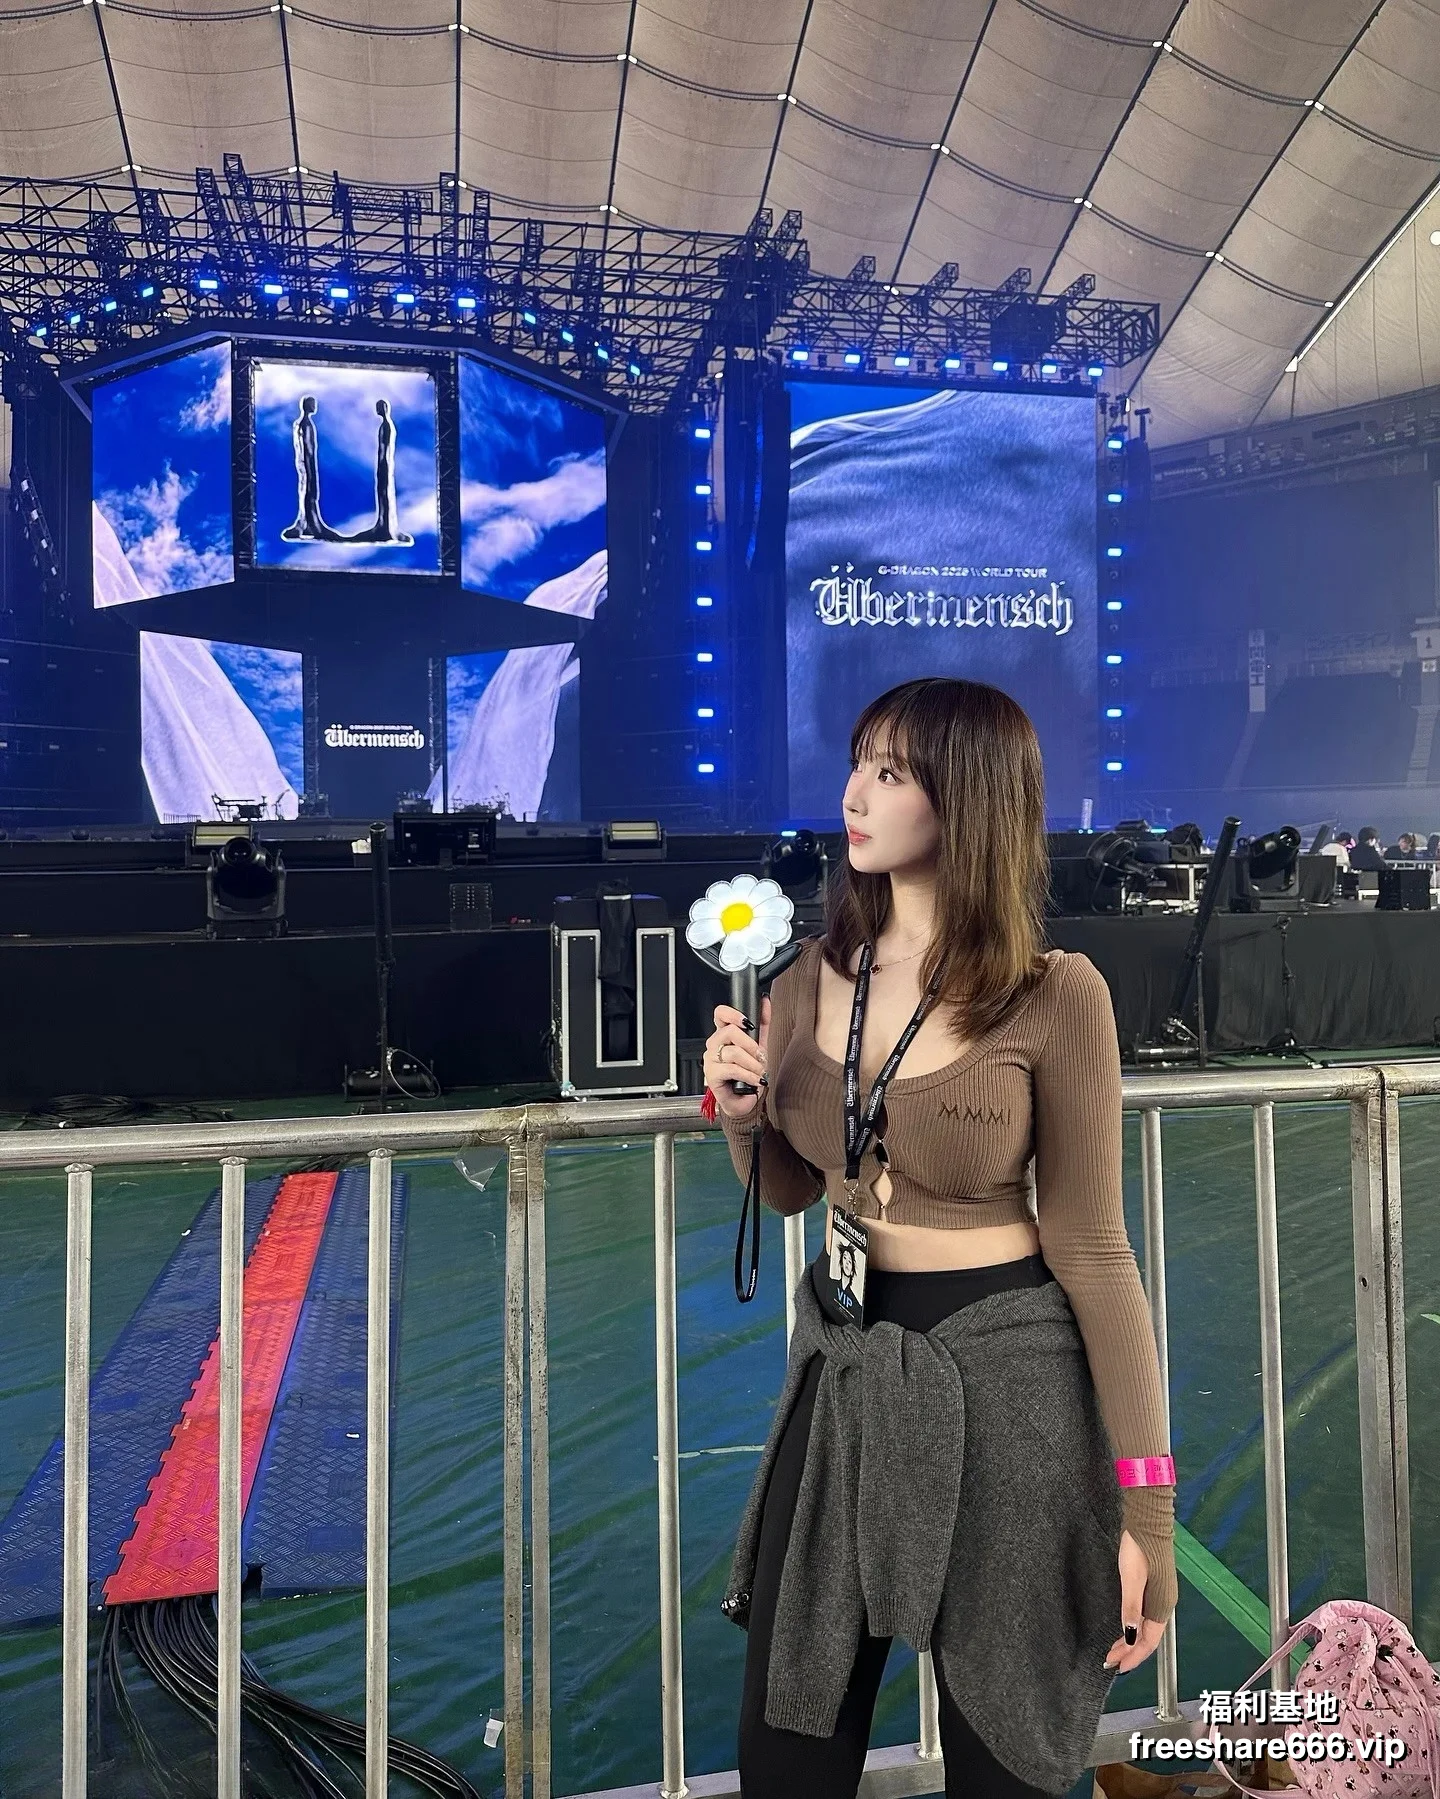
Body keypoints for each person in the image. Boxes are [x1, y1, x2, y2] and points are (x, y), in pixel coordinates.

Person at [703, 677, 1175, 1799]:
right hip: (845, 1371)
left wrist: (1148, 1518)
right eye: (858, 763)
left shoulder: (1055, 992)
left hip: (1009, 1377)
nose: (853, 795)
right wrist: (740, 1115)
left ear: (966, 799)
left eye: (891, 772)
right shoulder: (804, 979)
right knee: (788, 1747)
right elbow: (789, 1189)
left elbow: (1095, 1249)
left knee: (1005, 1757)